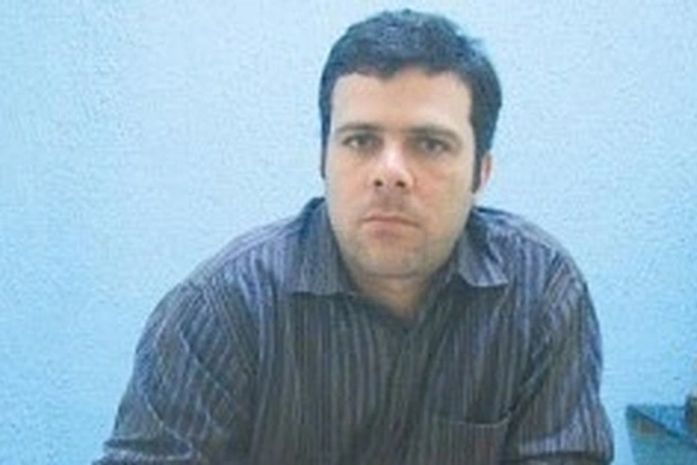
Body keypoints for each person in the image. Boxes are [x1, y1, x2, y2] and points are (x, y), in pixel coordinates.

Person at [95, 9, 613, 465]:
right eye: (361, 140)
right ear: (323, 160)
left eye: (430, 144)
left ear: (482, 172)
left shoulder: (541, 291)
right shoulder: (222, 309)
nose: (390, 173)